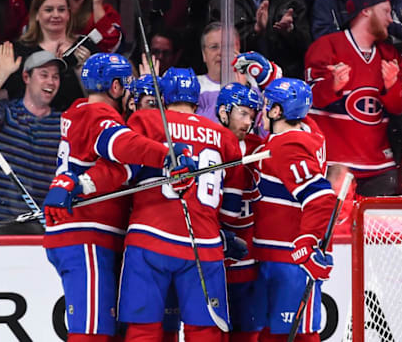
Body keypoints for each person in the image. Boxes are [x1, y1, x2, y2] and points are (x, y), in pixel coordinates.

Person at [77, 67, 242, 342]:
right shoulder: (223, 136)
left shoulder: (147, 120)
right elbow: (232, 209)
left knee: (143, 329)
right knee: (205, 331)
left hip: (149, 239)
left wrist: (83, 184)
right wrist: (223, 230)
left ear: (163, 96)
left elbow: (122, 169)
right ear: (196, 98)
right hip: (205, 244)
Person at [41, 54, 193, 342]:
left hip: (86, 234)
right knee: (92, 332)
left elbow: (115, 168)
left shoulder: (79, 110)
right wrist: (168, 155)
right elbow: (122, 144)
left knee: (105, 330)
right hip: (85, 233)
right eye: (127, 85)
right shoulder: (97, 115)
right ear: (114, 87)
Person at [251, 78, 336, 342]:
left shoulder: (285, 145)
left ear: (277, 112)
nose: (261, 111)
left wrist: (307, 242)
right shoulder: (310, 133)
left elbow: (321, 197)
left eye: (267, 105)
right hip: (277, 257)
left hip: (287, 259)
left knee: (295, 336)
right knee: (271, 334)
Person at [305, 0, 402, 196]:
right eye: (386, 12)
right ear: (366, 11)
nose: (390, 19)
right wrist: (332, 86)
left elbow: (400, 107)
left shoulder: (390, 54)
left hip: (379, 167)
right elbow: (309, 99)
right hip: (334, 165)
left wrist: (393, 86)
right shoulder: (326, 47)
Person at [0, 44, 65, 234]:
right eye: (44, 74)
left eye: (55, 77)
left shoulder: (62, 122)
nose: (51, 82)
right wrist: (2, 73)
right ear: (26, 77)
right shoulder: (8, 112)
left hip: (40, 223)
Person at [215, 82, 264, 342]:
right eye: (242, 113)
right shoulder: (209, 143)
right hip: (214, 262)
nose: (249, 121)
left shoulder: (260, 148)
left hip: (249, 262)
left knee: (248, 334)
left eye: (252, 115)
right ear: (224, 112)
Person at [8, 0, 92, 111]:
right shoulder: (20, 50)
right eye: (48, 10)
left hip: (77, 122)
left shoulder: (86, 46)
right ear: (36, 15)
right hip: (31, 125)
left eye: (61, 10)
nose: (56, 15)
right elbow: (13, 95)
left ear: (69, 14)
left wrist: (83, 70)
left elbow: (99, 101)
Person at [196, 22, 242, 122]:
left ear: (238, 49)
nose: (221, 53)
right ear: (204, 54)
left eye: (227, 47)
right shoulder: (195, 85)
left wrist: (244, 88)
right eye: (214, 47)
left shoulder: (253, 84)